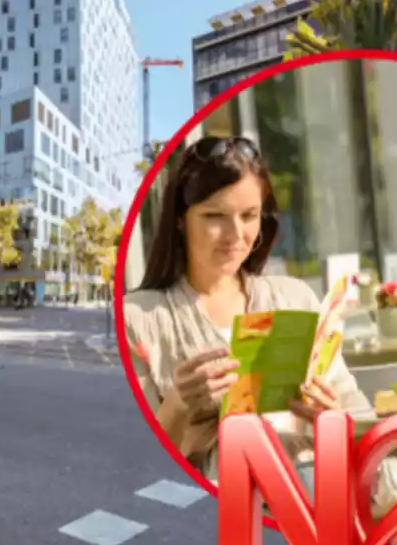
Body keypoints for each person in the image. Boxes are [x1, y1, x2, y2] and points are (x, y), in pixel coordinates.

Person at [122, 135, 372, 485]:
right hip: (234, 499)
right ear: (180, 218)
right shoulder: (138, 318)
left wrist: (334, 418)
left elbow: (353, 408)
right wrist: (180, 402)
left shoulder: (296, 298)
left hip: (320, 482)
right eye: (215, 216)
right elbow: (136, 467)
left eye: (249, 215)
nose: (236, 235)